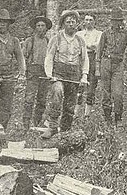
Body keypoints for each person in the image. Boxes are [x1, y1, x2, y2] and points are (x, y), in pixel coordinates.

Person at [42, 10, 89, 138]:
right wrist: (49, 74)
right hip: (58, 75)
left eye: (73, 22)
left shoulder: (80, 40)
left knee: (70, 105)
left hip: (74, 76)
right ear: (63, 24)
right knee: (57, 94)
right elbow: (49, 57)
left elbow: (85, 60)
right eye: (68, 22)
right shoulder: (56, 38)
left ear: (77, 24)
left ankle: (65, 130)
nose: (71, 24)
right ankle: (52, 127)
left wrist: (84, 75)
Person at [21, 15, 52, 130]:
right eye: (38, 25)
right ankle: (26, 124)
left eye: (42, 26)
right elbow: (23, 57)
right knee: (29, 99)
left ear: (46, 28)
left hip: (45, 72)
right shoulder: (29, 41)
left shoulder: (49, 41)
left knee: (42, 99)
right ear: (35, 28)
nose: (40, 28)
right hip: (33, 72)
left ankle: (37, 123)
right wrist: (23, 72)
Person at [75, 14, 103, 117]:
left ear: (94, 21)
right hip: (80, 59)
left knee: (91, 87)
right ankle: (75, 113)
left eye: (91, 20)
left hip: (93, 59)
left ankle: (87, 114)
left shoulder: (99, 33)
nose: (88, 22)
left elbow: (96, 46)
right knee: (78, 87)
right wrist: (87, 45)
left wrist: (87, 45)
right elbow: (76, 45)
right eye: (86, 20)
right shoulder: (79, 33)